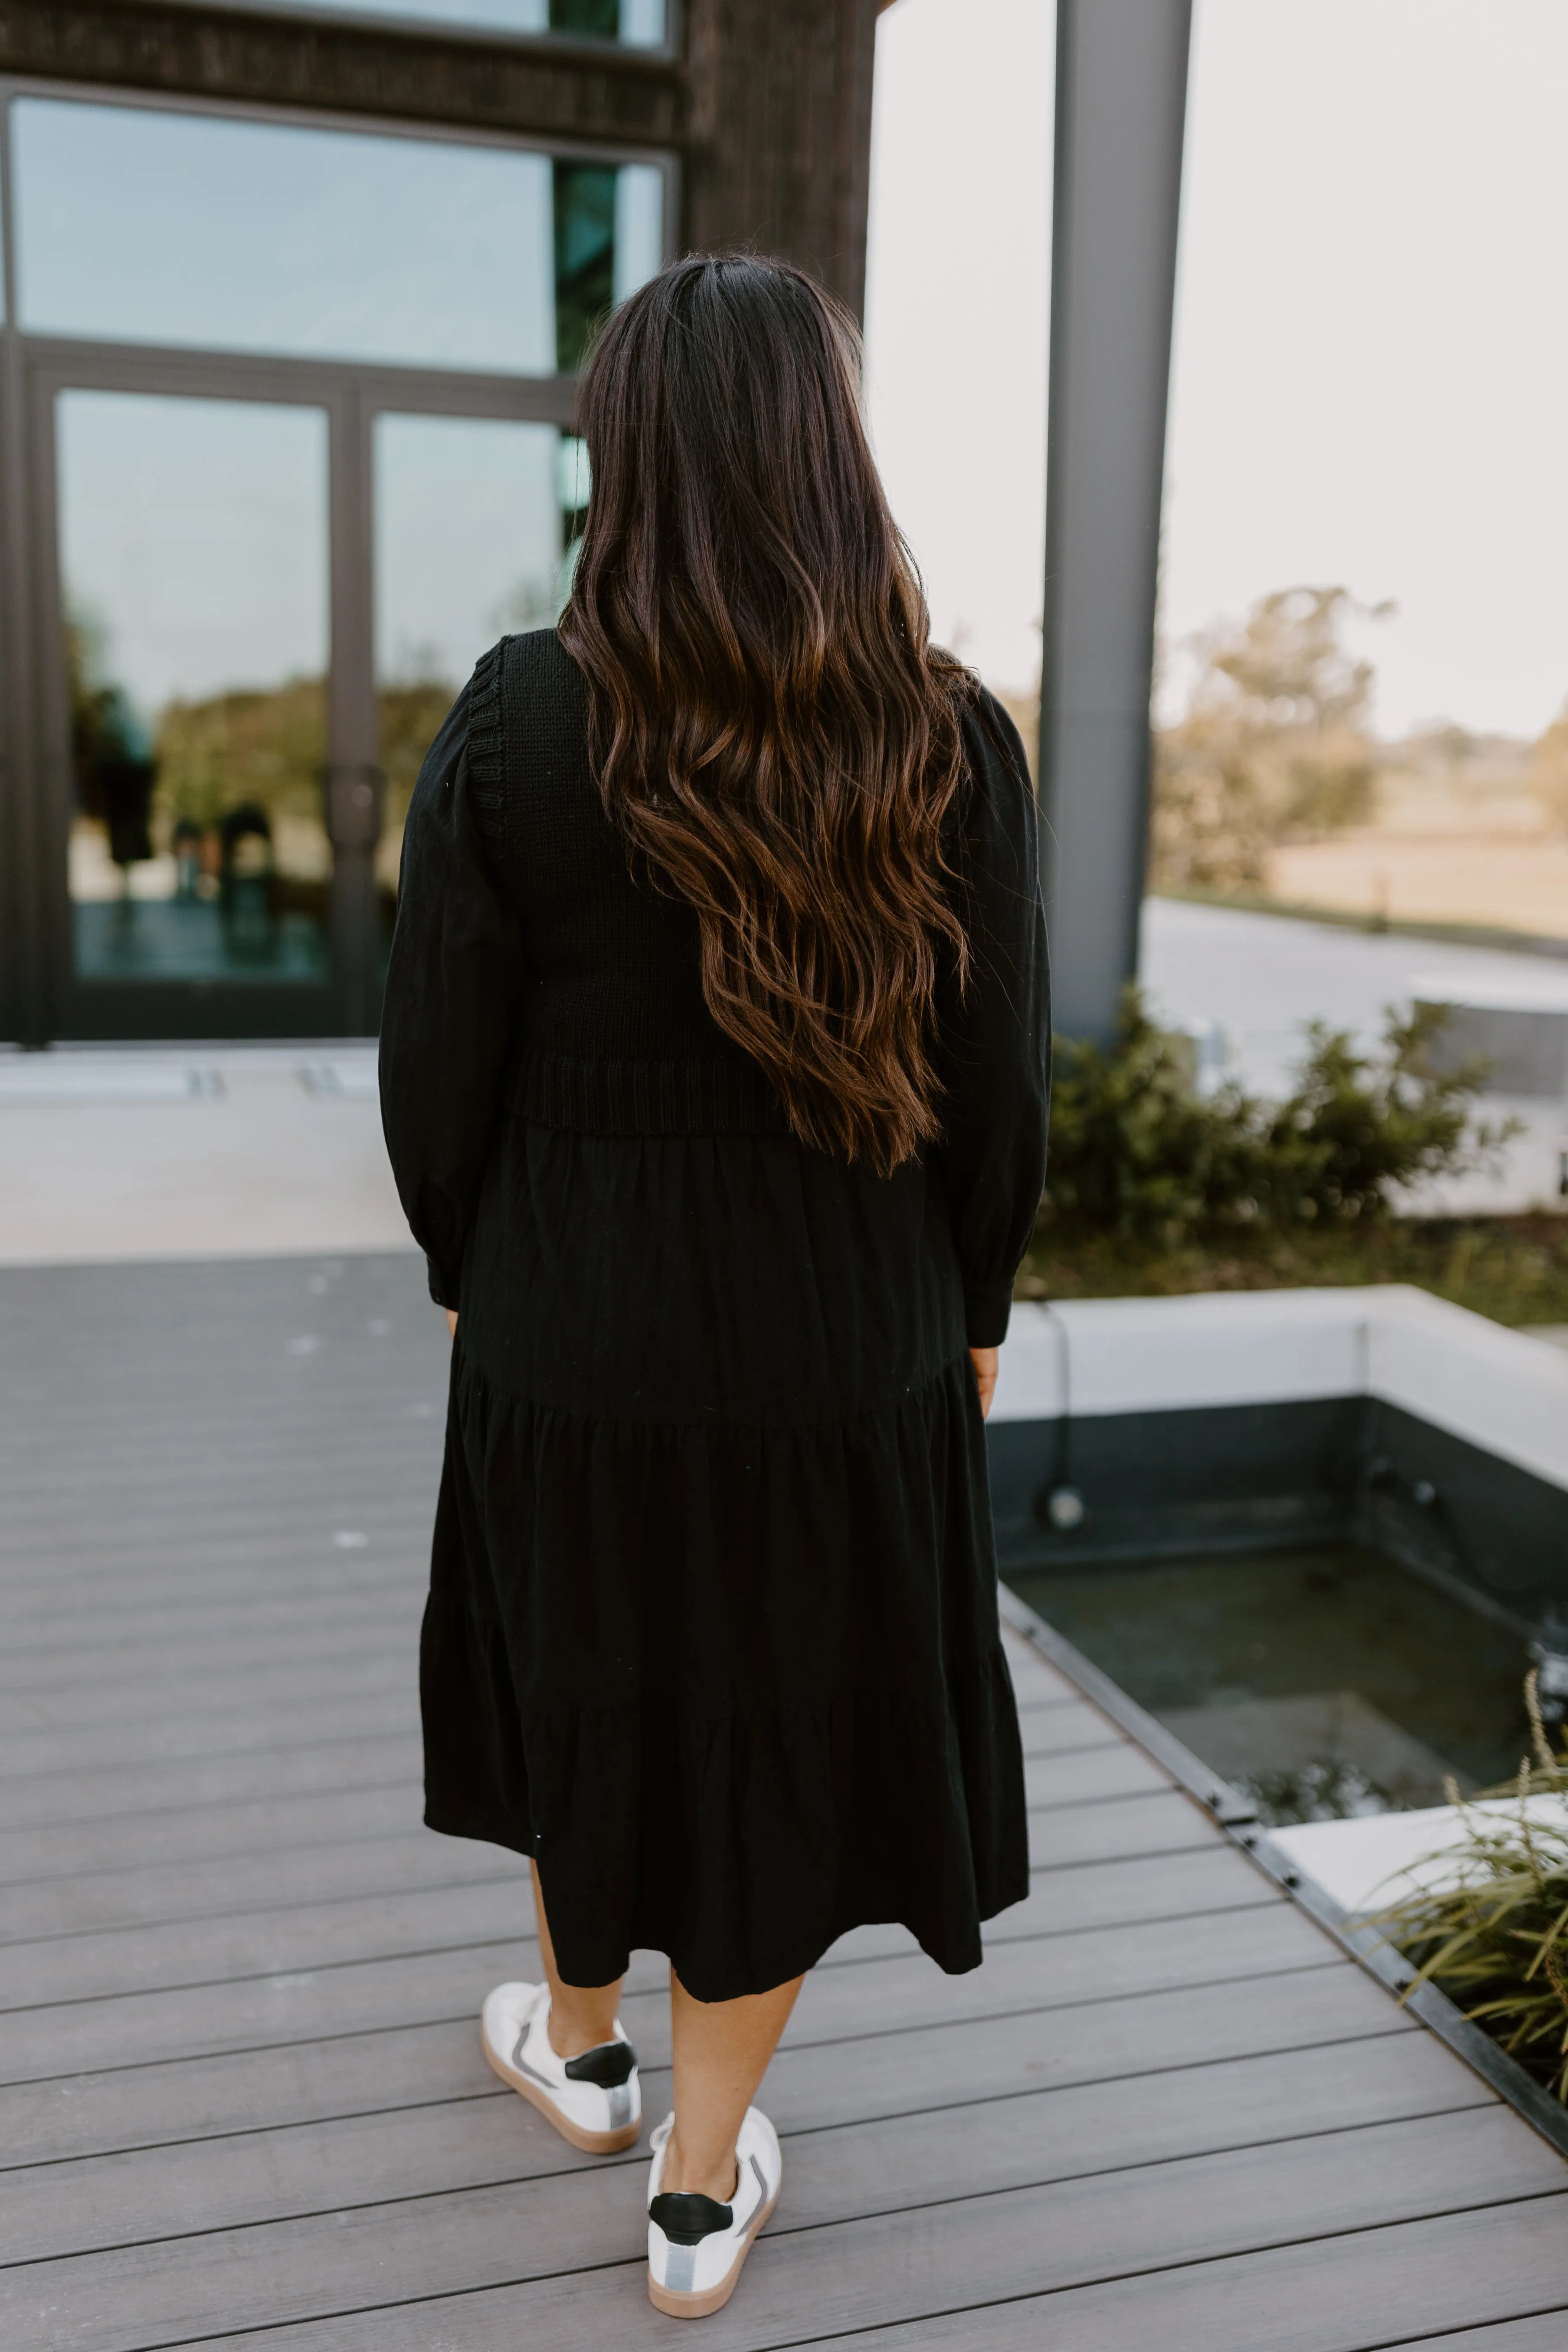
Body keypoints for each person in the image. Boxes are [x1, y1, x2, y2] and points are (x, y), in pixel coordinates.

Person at [379, 250, 1050, 2322]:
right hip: (843, 1335)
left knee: (581, 1662)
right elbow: (998, 1077)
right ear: (824, 451)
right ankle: (690, 2190)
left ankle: (579, 2045)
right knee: (767, 1721)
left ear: (628, 450)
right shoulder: (942, 733)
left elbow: (436, 1058)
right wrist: (976, 1309)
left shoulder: (514, 715)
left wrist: (470, 1270)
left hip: (571, 1318)